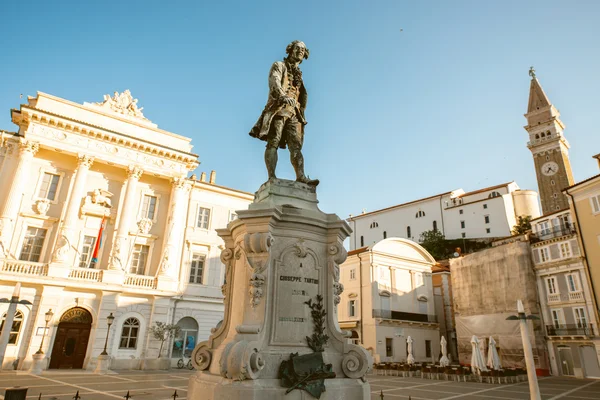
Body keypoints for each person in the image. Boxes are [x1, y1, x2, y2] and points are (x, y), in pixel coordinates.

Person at [249, 40, 319, 186]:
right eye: (297, 48)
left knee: (296, 146)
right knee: (273, 141)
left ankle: (301, 176)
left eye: (303, 49)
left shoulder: (299, 74)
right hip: (279, 109)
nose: (300, 51)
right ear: (290, 50)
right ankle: (272, 177)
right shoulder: (279, 65)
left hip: (295, 113)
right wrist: (283, 96)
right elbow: (274, 81)